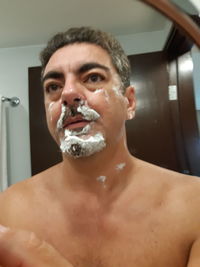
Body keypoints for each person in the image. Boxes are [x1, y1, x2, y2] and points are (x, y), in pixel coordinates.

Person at [0, 26, 200, 267]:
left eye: (93, 78)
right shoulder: (8, 209)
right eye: (53, 86)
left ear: (130, 102)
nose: (68, 93)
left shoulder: (193, 204)